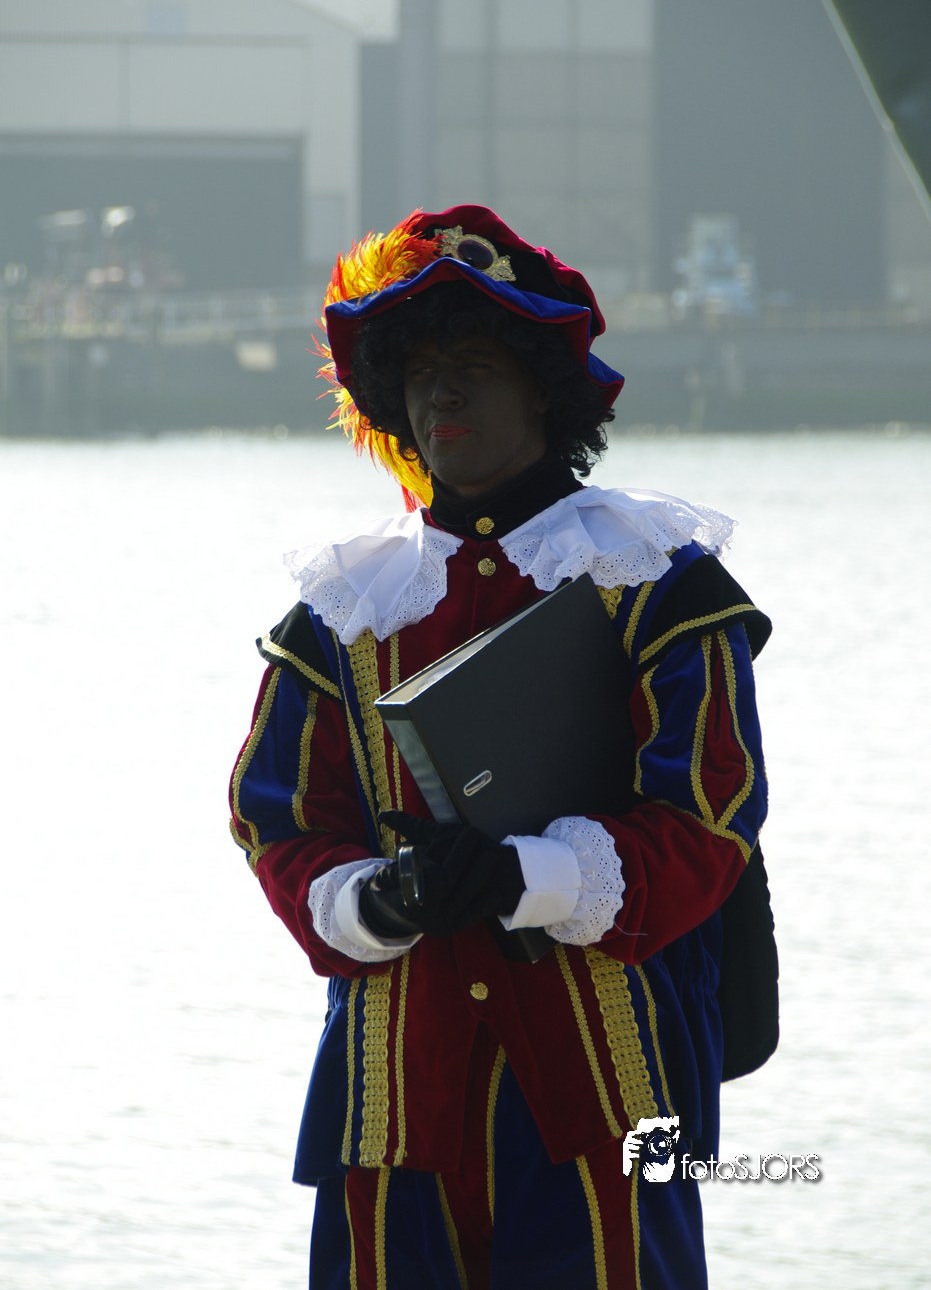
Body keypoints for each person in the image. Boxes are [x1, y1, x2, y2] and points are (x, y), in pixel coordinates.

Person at [229, 205, 772, 1289]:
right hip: (397, 1088)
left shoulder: (654, 580)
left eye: (474, 365)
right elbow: (277, 821)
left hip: (612, 1083)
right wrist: (379, 899)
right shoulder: (340, 610)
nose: (442, 394)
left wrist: (533, 876)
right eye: (421, 371)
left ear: (542, 390)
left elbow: (710, 817)